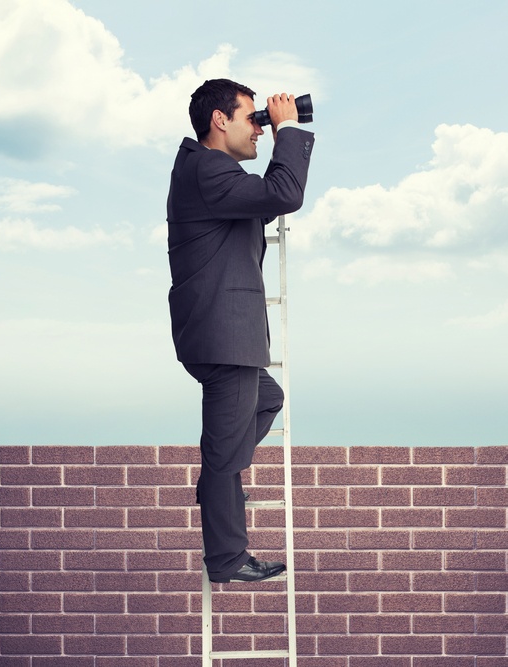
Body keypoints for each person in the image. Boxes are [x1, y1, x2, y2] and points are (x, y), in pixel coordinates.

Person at [166, 79, 314, 583]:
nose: (259, 127)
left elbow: (268, 200)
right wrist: (287, 128)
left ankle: (219, 483)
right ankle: (227, 557)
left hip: (223, 334)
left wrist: (279, 135)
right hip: (223, 335)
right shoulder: (208, 168)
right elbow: (285, 194)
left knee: (266, 401)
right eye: (252, 117)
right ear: (219, 120)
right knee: (225, 454)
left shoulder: (210, 173)